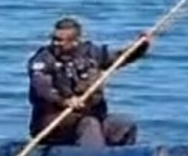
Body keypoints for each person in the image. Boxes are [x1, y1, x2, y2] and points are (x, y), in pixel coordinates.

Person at [27, 17, 152, 147]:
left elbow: (122, 57)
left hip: (92, 115)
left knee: (124, 125)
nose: (55, 44)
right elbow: (42, 87)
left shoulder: (91, 53)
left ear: (75, 41)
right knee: (89, 123)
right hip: (54, 121)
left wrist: (141, 47)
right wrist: (64, 101)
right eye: (54, 39)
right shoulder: (43, 59)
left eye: (60, 41)